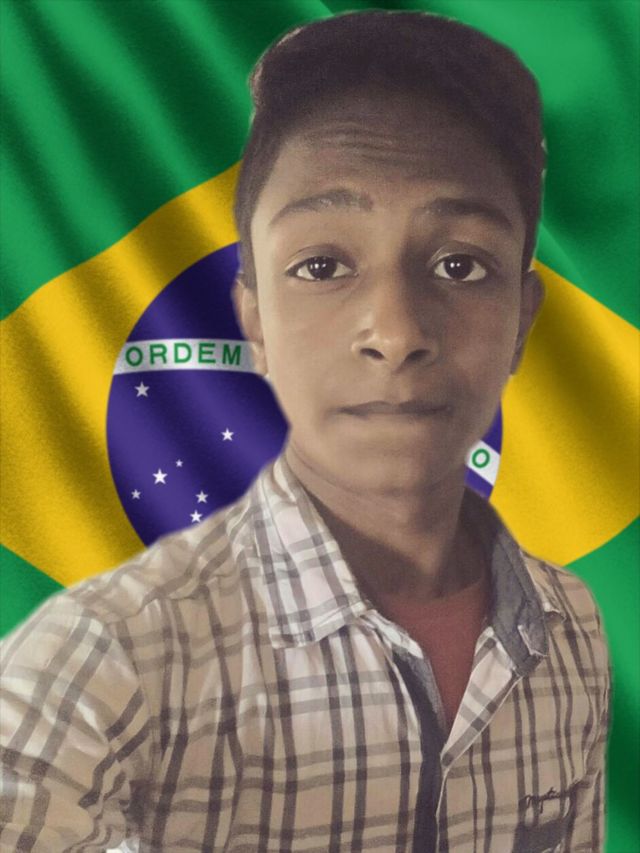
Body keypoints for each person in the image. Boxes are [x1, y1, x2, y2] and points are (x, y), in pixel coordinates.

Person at [0, 10, 609, 853]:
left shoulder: (571, 625)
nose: (395, 331)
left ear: (521, 319)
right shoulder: (107, 658)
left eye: (461, 264)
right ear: (253, 317)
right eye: (322, 266)